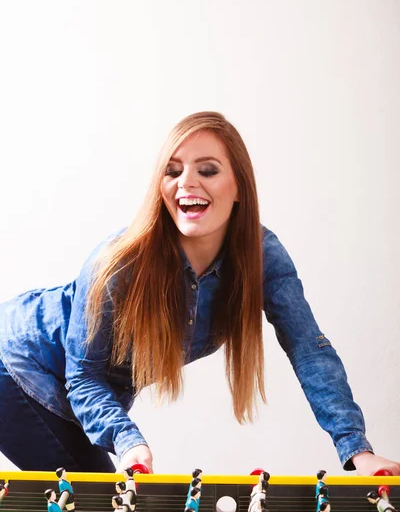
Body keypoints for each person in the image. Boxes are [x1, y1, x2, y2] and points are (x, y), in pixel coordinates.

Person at [0, 111, 398, 476]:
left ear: (239, 186)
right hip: (16, 363)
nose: (187, 182)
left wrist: (357, 450)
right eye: (172, 171)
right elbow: (84, 374)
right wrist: (128, 441)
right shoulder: (119, 261)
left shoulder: (263, 258)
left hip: (69, 396)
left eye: (207, 170)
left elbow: (310, 350)